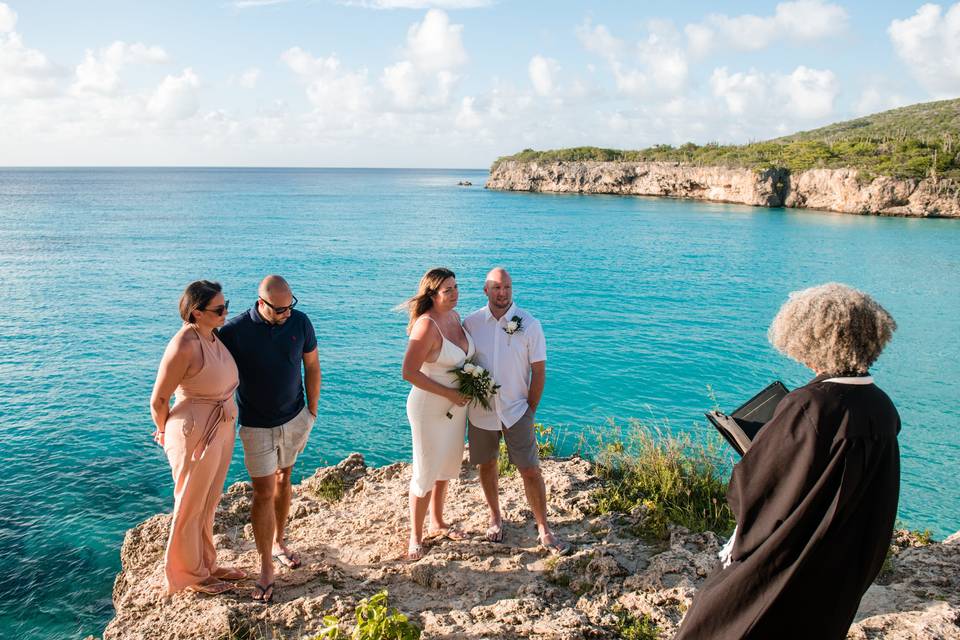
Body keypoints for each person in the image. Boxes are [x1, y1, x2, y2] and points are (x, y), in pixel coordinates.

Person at [674, 283, 901, 640]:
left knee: (715, 621)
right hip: (843, 555)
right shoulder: (881, 406)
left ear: (811, 340)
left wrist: (758, 451)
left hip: (792, 555)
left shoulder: (808, 405)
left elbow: (756, 488)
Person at [217, 275, 321, 603]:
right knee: (263, 493)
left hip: (295, 419)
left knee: (285, 478)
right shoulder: (233, 332)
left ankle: (279, 542)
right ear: (261, 303)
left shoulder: (300, 322)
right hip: (256, 426)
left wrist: (312, 411)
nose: (286, 314)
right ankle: (265, 567)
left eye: (290, 306)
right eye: (279, 310)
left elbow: (313, 366)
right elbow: (212, 370)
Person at [463, 267, 570, 555]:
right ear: (486, 290)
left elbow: (539, 371)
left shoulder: (530, 324)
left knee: (530, 470)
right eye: (497, 287)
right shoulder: (471, 323)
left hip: (516, 411)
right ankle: (495, 517)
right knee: (486, 465)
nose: (503, 293)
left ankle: (544, 527)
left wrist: (529, 410)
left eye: (508, 287)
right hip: (481, 412)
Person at [150, 280, 245, 596]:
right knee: (190, 503)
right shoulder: (184, 345)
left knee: (209, 500)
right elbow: (159, 400)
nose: (226, 312)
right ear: (196, 312)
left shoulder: (211, 336)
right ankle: (188, 575)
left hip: (219, 427)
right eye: (219, 309)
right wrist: (164, 433)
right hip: (195, 432)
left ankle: (207, 565)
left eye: (225, 304)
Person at [401, 267, 474, 561]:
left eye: (456, 287)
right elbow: (408, 372)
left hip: (455, 408)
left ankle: (438, 521)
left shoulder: (455, 316)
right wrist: (449, 394)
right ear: (432, 294)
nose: (455, 294)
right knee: (426, 469)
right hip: (429, 408)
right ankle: (415, 537)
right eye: (448, 290)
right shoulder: (426, 326)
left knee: (446, 465)